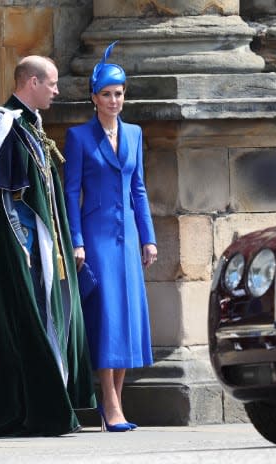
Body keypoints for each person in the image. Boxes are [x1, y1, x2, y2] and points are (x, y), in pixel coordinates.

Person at [0, 55, 96, 437]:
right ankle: (26, 412)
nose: (57, 91)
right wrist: (24, 245)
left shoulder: (30, 125)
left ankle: (44, 408)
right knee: (24, 323)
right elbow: (5, 199)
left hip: (43, 250)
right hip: (23, 250)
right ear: (31, 82)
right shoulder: (6, 125)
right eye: (52, 83)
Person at [62, 42, 158, 432]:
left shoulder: (134, 133)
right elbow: (70, 192)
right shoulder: (79, 136)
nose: (114, 100)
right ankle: (109, 401)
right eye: (107, 94)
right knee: (106, 316)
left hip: (128, 235)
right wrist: (77, 240)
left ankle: (115, 401)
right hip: (97, 237)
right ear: (94, 98)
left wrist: (148, 237)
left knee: (127, 316)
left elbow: (139, 189)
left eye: (119, 94)